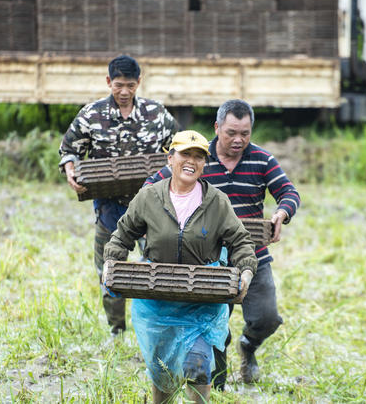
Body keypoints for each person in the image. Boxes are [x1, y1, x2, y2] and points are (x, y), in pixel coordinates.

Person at [144, 99, 300, 389]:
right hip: (210, 260)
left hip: (254, 255)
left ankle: (248, 346)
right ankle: (216, 386)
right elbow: (151, 186)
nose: (238, 140)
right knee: (213, 328)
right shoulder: (198, 158)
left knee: (267, 317)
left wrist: (282, 212)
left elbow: (288, 191)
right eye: (231, 133)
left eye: (245, 133)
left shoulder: (262, 160)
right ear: (217, 128)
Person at [103, 130, 258, 403]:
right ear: (170, 158)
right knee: (162, 373)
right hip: (157, 300)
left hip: (202, 302)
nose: (192, 161)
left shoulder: (216, 202)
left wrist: (245, 272)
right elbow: (123, 234)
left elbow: (241, 242)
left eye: (199, 156)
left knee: (197, 367)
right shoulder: (149, 197)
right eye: (186, 154)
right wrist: (111, 263)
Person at [59, 55, 178, 336]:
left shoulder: (156, 114)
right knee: (110, 268)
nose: (124, 92)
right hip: (110, 207)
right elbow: (69, 149)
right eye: (119, 85)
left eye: (131, 85)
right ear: (108, 81)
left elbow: (179, 147)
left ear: (139, 83)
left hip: (152, 206)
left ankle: (154, 326)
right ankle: (117, 330)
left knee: (160, 266)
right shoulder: (92, 114)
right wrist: (70, 170)